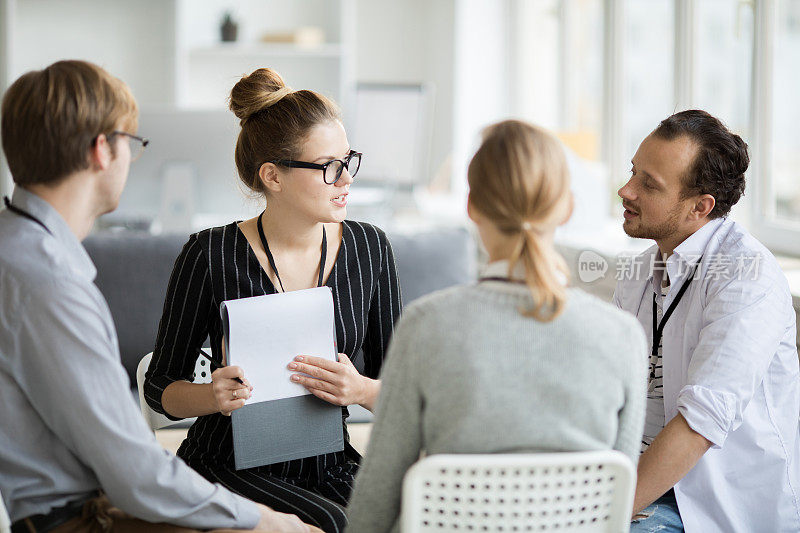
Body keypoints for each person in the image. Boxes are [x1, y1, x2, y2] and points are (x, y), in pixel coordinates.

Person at [0, 60, 320, 533]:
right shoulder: (48, 282)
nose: (133, 159)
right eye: (131, 144)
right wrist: (265, 521)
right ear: (102, 151)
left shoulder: (18, 248)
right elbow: (136, 474)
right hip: (74, 520)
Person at [345, 119, 648, 532]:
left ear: (471, 206)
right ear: (567, 208)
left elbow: (376, 500)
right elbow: (618, 494)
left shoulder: (426, 326)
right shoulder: (623, 337)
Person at [144, 68, 402, 533]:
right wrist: (212, 396)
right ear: (272, 176)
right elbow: (160, 388)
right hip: (226, 461)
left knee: (406, 513)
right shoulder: (209, 254)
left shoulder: (371, 248)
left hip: (329, 461)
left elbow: (402, 392)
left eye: (349, 160)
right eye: (328, 166)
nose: (346, 179)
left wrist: (360, 389)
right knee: (334, 524)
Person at [615, 110, 800, 532]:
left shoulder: (748, 276)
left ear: (701, 207)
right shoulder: (639, 272)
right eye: (633, 172)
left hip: (706, 505)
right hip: (639, 480)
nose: (626, 190)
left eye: (650, 184)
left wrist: (601, 509)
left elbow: (700, 425)